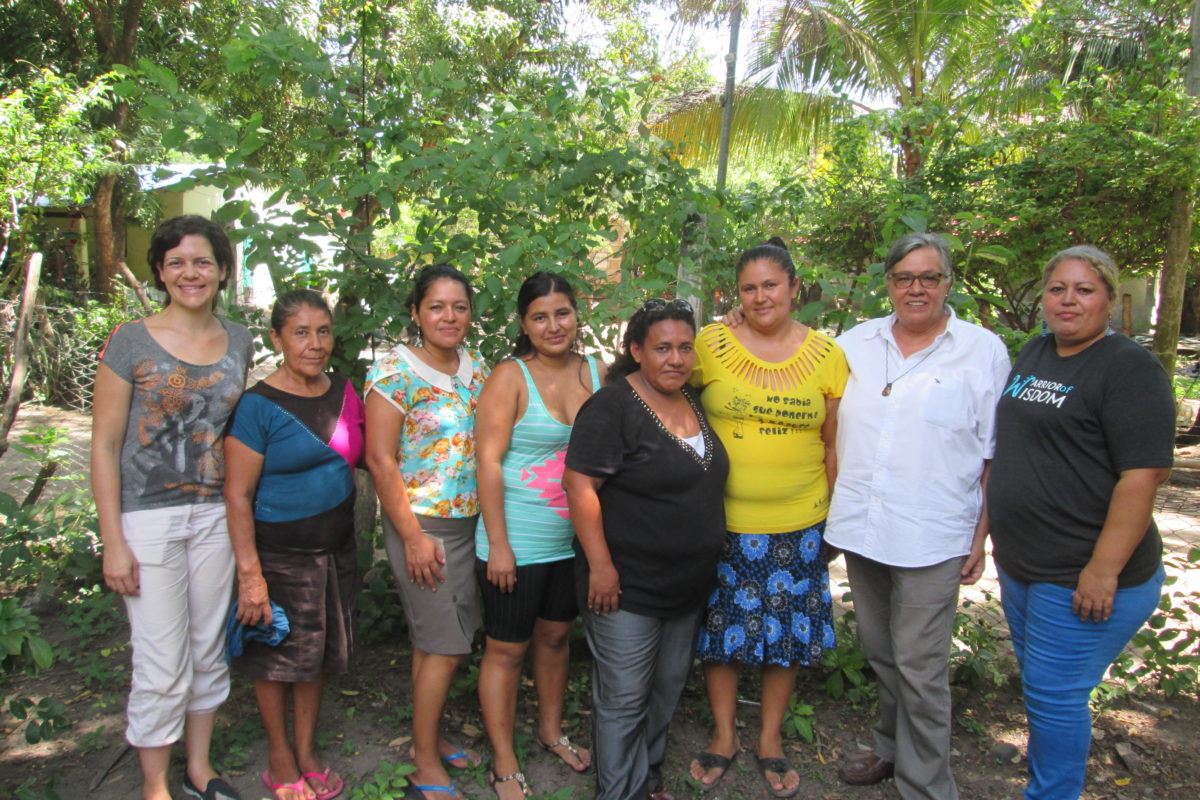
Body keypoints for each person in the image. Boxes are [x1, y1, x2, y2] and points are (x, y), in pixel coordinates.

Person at [824, 232, 1010, 800]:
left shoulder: (982, 351)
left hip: (936, 533)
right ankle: (890, 747)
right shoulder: (854, 343)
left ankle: (927, 786)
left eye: (929, 277)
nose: (916, 288)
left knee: (920, 666)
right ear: (890, 284)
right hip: (863, 527)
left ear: (948, 283)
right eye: (905, 277)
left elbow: (994, 454)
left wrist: (982, 536)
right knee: (883, 654)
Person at [987, 246, 1175, 800]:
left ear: (1111, 301)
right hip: (1024, 567)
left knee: (1055, 696)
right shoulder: (1037, 352)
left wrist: (1102, 569)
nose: (1069, 300)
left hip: (1080, 573)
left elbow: (1143, 476)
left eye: (1085, 290)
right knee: (1045, 694)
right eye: (1058, 289)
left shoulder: (1129, 369)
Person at [91, 214, 254, 800]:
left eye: (203, 261)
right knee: (161, 659)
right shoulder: (130, 339)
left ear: (222, 271)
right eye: (178, 261)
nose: (192, 272)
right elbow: (105, 445)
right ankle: (154, 783)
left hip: (214, 516)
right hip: (147, 518)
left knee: (208, 647)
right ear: (160, 271)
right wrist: (113, 541)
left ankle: (200, 768)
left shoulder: (239, 338)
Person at [688, 238, 848, 799]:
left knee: (786, 634)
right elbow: (667, 401)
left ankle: (771, 738)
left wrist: (836, 518)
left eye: (770, 285)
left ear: (794, 288)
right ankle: (726, 733)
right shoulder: (711, 342)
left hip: (800, 520)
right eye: (749, 288)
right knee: (723, 633)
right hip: (723, 520)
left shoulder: (827, 355)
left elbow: (832, 444)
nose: (760, 297)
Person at [563, 298, 730, 800]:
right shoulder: (614, 405)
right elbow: (578, 485)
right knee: (624, 698)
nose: (675, 359)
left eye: (684, 347)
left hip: (686, 585)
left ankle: (647, 776)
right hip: (626, 585)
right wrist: (601, 567)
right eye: (661, 348)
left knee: (665, 689)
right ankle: (621, 792)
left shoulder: (692, 400)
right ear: (637, 350)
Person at [224, 290, 365, 800]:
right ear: (277, 339)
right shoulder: (258, 406)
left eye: (323, 331)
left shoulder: (345, 393)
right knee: (277, 659)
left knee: (318, 656)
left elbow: (370, 457)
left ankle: (306, 750)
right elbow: (237, 495)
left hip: (336, 551)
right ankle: (280, 756)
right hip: (280, 555)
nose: (315, 343)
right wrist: (250, 574)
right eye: (301, 333)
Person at [364, 264, 489, 800]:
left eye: (459, 307)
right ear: (415, 312)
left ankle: (429, 740)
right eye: (436, 306)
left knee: (437, 643)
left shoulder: (476, 368)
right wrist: (413, 536)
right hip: (423, 524)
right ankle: (422, 764)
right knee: (445, 645)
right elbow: (379, 459)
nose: (449, 316)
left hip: (471, 523)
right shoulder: (394, 372)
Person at [474, 272, 598, 799]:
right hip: (517, 541)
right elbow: (487, 461)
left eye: (562, 313)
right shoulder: (510, 375)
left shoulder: (595, 370)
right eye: (540, 316)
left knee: (554, 639)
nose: (554, 325)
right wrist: (499, 545)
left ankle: (550, 730)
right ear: (524, 324)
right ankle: (504, 761)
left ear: (577, 313)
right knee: (506, 650)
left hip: (572, 540)